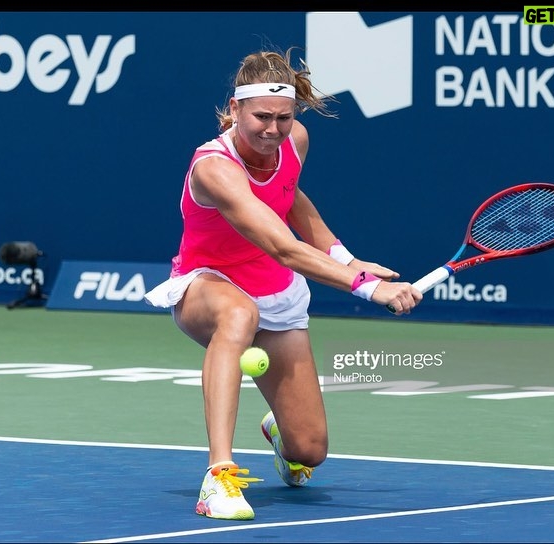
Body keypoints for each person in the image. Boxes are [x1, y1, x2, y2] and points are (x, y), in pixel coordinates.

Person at [144, 47, 422, 521]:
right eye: (261, 117)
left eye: (284, 117)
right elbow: (284, 247)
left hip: (274, 292)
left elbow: (290, 199)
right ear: (235, 110)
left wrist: (347, 257)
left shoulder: (296, 142)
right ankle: (219, 477)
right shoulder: (214, 167)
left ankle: (281, 429)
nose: (273, 130)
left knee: (309, 450)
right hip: (206, 285)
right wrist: (365, 287)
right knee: (238, 314)